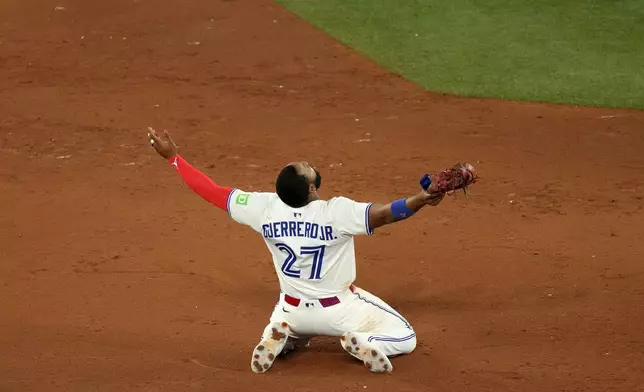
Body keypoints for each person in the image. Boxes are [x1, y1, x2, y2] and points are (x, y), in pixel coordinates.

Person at [147, 127, 445, 374]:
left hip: (292, 309)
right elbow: (386, 214)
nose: (308, 164)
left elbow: (210, 190)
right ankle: (366, 340)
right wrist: (421, 198)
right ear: (312, 189)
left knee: (293, 325)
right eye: (307, 170)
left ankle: (278, 334)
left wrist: (174, 158)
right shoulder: (336, 212)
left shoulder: (263, 208)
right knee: (406, 337)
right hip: (340, 311)